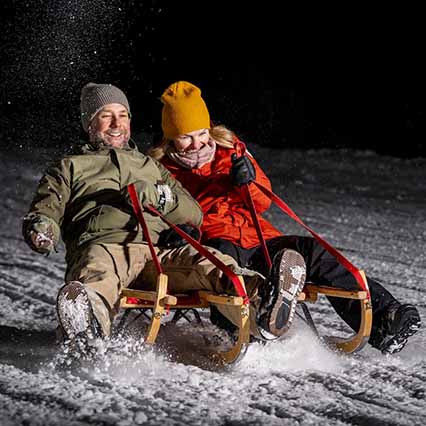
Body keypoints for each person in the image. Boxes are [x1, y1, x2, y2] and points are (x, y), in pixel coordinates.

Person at [22, 82, 306, 356]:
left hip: (159, 251)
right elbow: (46, 208)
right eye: (105, 116)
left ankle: (264, 306)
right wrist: (42, 228)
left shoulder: (151, 166)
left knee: (210, 262)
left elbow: (193, 212)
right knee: (97, 276)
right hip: (105, 246)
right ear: (89, 124)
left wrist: (160, 197)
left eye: (122, 115)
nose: (116, 124)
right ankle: (87, 331)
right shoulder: (69, 167)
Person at [149, 80, 421, 354]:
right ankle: (238, 332)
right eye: (186, 136)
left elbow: (264, 201)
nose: (197, 143)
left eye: (200, 133)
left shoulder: (232, 152)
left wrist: (249, 182)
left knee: (314, 252)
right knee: (227, 271)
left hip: (259, 237)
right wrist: (178, 231)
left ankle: (386, 319)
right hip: (215, 240)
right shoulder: (161, 170)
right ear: (170, 136)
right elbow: (160, 212)